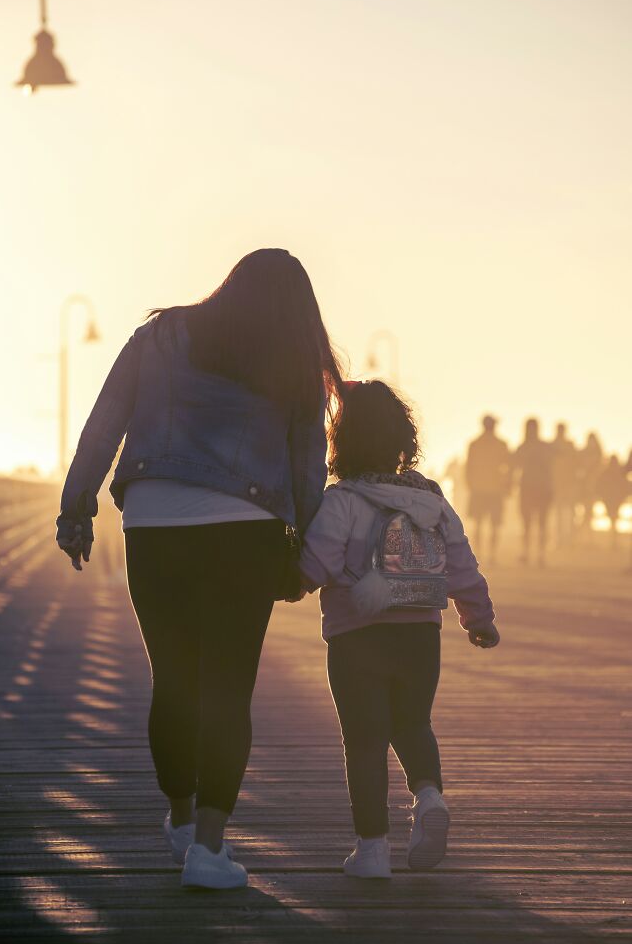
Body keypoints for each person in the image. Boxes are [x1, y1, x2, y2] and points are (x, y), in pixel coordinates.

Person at [57, 248, 344, 889]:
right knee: (229, 687)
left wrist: (76, 508)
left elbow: (105, 425)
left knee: (174, 676)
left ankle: (181, 821)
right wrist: (306, 547)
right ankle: (209, 851)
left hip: (154, 522)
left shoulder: (159, 335)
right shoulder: (289, 356)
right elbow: (306, 462)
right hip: (246, 530)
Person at [299, 381, 499, 879]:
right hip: (420, 633)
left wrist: (289, 578)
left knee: (364, 740)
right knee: (413, 722)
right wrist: (479, 618)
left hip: (356, 633)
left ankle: (371, 852)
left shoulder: (342, 498)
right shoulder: (431, 499)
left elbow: (316, 565)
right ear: (402, 439)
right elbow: (461, 565)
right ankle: (429, 795)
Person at [465, 415, 510, 565]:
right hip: (494, 489)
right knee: (493, 524)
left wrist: (470, 484)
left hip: (479, 488)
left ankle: (479, 554)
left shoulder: (475, 444)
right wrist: (507, 486)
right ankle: (491, 555)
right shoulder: (501, 444)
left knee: (479, 523)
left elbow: (468, 467)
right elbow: (507, 468)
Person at [512, 418, 554, 566]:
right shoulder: (545, 446)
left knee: (529, 523)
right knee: (539, 523)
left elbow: (514, 465)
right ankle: (537, 554)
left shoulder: (524, 446)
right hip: (542, 488)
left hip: (530, 488)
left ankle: (530, 553)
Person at [551, 422, 578, 546]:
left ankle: (569, 539)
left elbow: (575, 463)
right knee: (562, 512)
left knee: (566, 512)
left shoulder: (565, 445)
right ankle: (563, 539)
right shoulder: (564, 445)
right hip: (561, 483)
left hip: (565, 483)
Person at [597, 455, 630, 548]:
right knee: (613, 519)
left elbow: (599, 486)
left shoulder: (607, 472)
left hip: (611, 500)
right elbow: (626, 486)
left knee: (613, 519)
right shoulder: (617, 472)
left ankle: (613, 541)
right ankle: (613, 541)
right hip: (613, 500)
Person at [576, 433, 604, 539]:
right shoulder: (585, 454)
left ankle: (586, 536)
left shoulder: (596, 457)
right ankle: (583, 536)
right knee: (585, 514)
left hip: (592, 489)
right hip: (583, 489)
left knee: (588, 513)